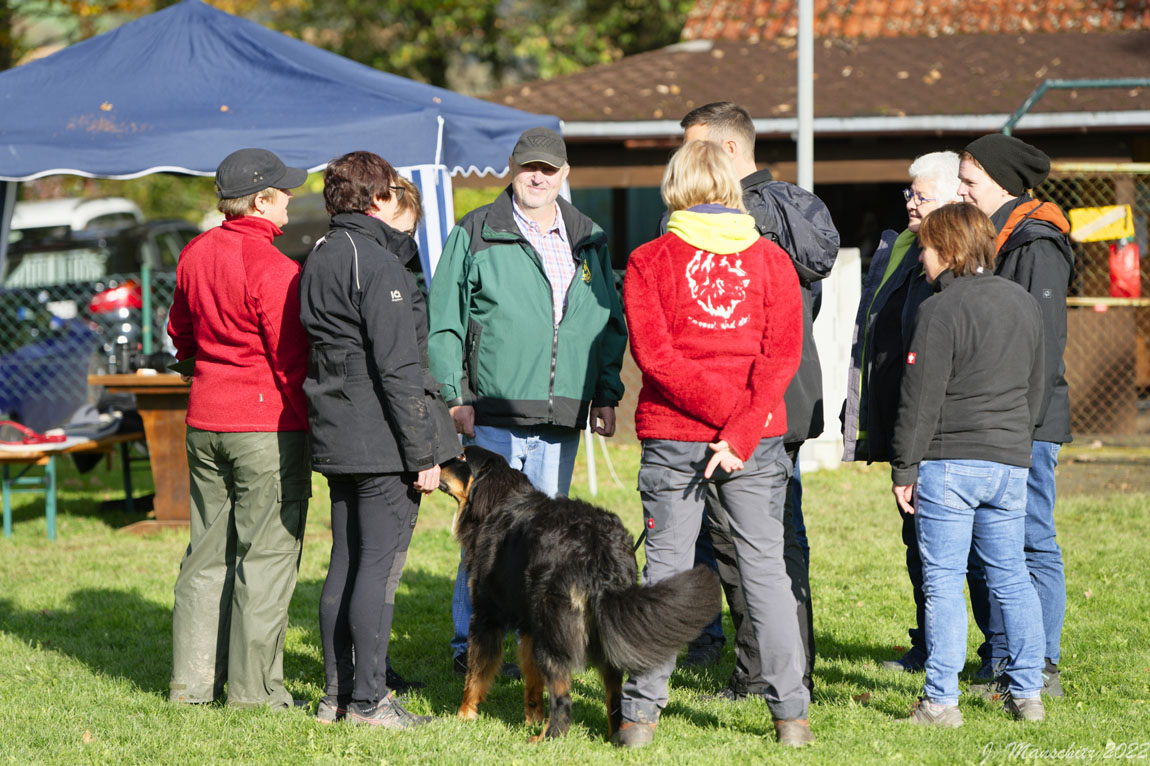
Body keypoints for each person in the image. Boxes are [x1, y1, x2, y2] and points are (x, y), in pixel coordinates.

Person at [616, 139, 808, 748]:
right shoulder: (773, 260)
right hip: (753, 440)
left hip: (677, 437)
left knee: (665, 573)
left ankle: (640, 719)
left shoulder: (650, 259)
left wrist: (730, 425)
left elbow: (656, 359)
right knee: (767, 574)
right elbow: (783, 359)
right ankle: (791, 721)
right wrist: (742, 426)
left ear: (674, 185)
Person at [427, 126, 627, 676]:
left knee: (542, 543)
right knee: (485, 540)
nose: (537, 177)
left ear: (565, 175)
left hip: (561, 416)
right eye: (527, 167)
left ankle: (533, 644)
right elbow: (444, 321)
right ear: (512, 169)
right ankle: (471, 646)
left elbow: (610, 323)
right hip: (490, 415)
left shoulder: (589, 236)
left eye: (549, 168)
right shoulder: (477, 231)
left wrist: (605, 392)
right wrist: (454, 394)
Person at [675, 102, 839, 696]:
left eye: (692, 149)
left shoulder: (734, 217)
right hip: (791, 391)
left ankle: (768, 674)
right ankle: (783, 667)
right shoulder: (800, 208)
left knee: (747, 539)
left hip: (749, 398)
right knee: (775, 535)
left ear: (724, 151)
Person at [298, 151, 457, 728]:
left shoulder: (317, 253)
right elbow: (398, 369)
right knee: (377, 567)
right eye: (392, 188)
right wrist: (424, 453)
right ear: (379, 197)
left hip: (336, 431)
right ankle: (369, 699)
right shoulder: (378, 262)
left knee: (344, 561)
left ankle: (335, 696)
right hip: (378, 439)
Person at [891, 202, 1047, 726]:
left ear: (951, 250)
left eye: (928, 250)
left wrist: (903, 469)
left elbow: (920, 397)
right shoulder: (1023, 303)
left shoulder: (939, 309)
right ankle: (1028, 694)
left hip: (948, 464)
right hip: (1009, 463)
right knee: (1013, 578)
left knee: (942, 582)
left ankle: (941, 702)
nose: (922, 261)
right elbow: (1038, 384)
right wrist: (1016, 443)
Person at [167, 148, 311, 709]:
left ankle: (192, 685)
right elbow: (291, 360)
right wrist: (307, 427)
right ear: (259, 200)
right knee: (267, 557)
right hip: (264, 425)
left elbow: (180, 333)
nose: (290, 200)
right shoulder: (274, 266)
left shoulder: (195, 252)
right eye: (283, 192)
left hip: (205, 419)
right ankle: (256, 693)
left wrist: (203, 370)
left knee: (205, 555)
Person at [957, 134, 1073, 697]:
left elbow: (1043, 345)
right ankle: (1004, 658)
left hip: (1028, 422)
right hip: (997, 420)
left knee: (1031, 541)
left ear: (1002, 184)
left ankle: (1041, 663)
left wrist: (1019, 427)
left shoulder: (1036, 245)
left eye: (969, 182)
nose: (961, 192)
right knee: (995, 545)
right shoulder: (996, 239)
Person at [840, 151, 961, 672]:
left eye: (922, 196)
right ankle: (929, 643)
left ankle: (989, 656)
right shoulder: (901, 247)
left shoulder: (961, 257)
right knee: (918, 545)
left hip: (948, 428)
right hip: (903, 420)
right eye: (909, 194)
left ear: (956, 201)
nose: (911, 203)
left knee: (961, 556)